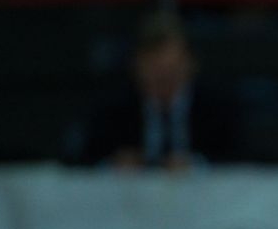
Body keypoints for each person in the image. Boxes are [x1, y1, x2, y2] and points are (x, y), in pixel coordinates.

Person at [80, 14, 238, 169]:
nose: (164, 77)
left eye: (171, 69)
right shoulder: (111, 110)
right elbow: (79, 164)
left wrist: (197, 166)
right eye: (155, 69)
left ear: (191, 64)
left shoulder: (219, 109)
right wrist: (112, 165)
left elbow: (243, 164)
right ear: (137, 66)